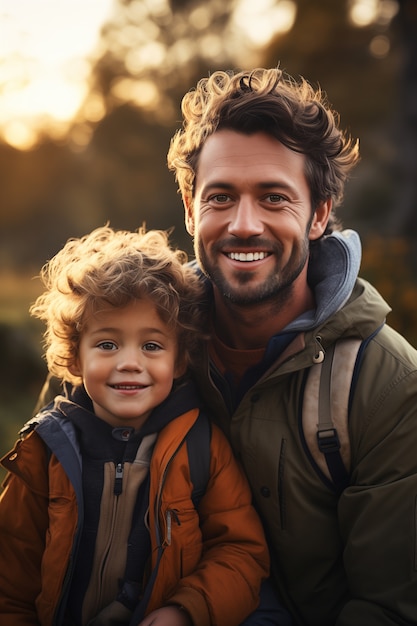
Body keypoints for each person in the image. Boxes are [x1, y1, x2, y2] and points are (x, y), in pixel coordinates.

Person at [166, 67, 417, 625]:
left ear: (320, 214)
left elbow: (390, 609)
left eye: (274, 198)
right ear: (189, 207)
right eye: (221, 196)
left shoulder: (388, 386)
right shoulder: (131, 341)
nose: (244, 225)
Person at [0, 225, 277, 626]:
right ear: (74, 358)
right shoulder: (45, 451)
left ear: (179, 361)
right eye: (108, 344)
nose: (130, 362)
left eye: (151, 345)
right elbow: (10, 575)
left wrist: (185, 611)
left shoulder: (201, 447)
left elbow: (240, 552)